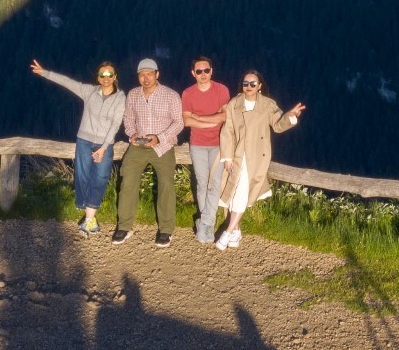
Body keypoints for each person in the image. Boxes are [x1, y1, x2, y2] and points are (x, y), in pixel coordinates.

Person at [214, 73, 306, 252]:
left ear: (259, 86)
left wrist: (290, 116)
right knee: (236, 193)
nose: (248, 85)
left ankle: (228, 231)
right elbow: (228, 130)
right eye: (245, 82)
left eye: (252, 83)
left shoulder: (268, 105)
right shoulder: (234, 104)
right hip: (238, 155)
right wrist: (227, 156)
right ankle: (236, 232)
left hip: (256, 157)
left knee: (239, 193)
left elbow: (278, 125)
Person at [31, 58, 121, 234]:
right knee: (82, 176)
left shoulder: (120, 98)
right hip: (84, 141)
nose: (106, 77)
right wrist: (45, 73)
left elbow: (116, 125)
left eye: (110, 74)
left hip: (105, 143)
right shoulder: (89, 92)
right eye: (102, 74)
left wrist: (103, 148)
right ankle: (89, 219)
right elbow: (68, 83)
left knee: (100, 179)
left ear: (115, 76)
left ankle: (89, 218)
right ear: (98, 77)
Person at [116, 56, 183, 247]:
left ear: (157, 74)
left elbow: (179, 122)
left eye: (149, 74)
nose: (146, 78)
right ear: (138, 76)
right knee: (127, 180)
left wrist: (160, 137)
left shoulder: (171, 95)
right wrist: (132, 134)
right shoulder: (133, 94)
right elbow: (128, 118)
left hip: (162, 145)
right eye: (142, 74)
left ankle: (166, 230)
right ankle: (124, 226)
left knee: (166, 185)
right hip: (138, 145)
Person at [179, 55, 232, 244]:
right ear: (193, 73)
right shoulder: (188, 93)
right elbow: (186, 120)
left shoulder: (221, 90)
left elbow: (225, 116)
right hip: (198, 144)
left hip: (218, 144)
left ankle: (206, 224)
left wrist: (199, 120)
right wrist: (213, 119)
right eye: (199, 71)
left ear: (212, 71)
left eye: (206, 70)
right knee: (202, 183)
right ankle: (207, 223)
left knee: (214, 183)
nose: (203, 74)